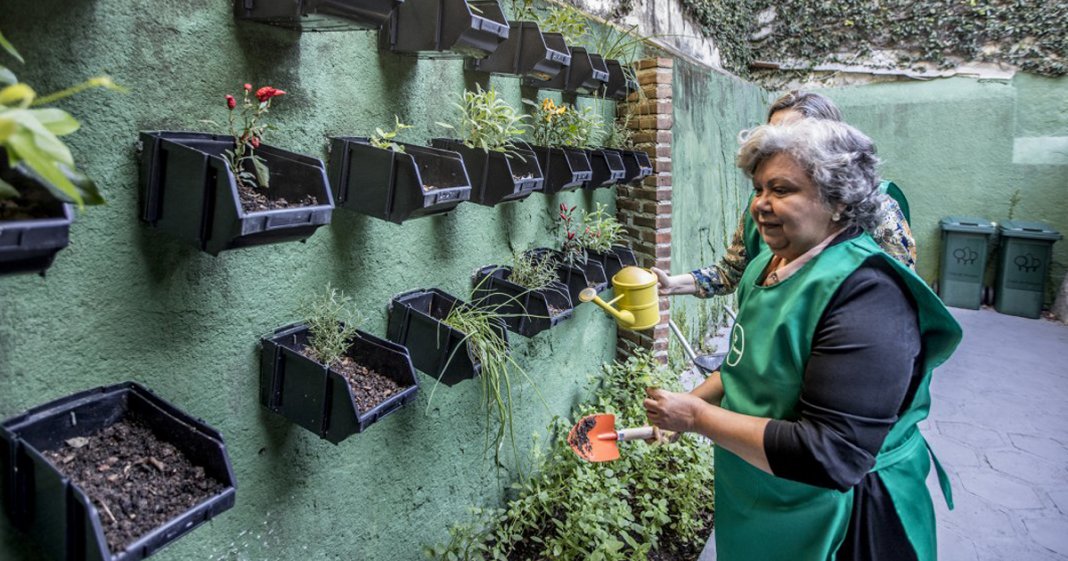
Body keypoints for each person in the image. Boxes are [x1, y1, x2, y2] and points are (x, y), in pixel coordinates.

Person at [643, 119, 962, 561]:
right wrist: (685, 405)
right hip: (764, 496)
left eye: (782, 190)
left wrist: (697, 418)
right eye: (758, 189)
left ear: (838, 200)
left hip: (841, 518)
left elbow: (831, 454)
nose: (760, 205)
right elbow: (743, 364)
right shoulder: (765, 268)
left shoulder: (868, 296)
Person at [653, 90, 916, 298]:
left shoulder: (874, 207)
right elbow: (730, 271)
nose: (777, 146)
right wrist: (672, 285)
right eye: (772, 133)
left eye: (793, 134)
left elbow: (900, 293)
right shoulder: (761, 206)